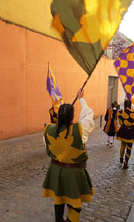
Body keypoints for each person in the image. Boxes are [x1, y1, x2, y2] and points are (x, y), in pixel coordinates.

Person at [42, 89, 95, 222]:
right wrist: (81, 98)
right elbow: (88, 115)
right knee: (75, 206)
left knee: (59, 199)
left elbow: (48, 146)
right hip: (74, 173)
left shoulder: (48, 130)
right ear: (72, 117)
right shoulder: (79, 130)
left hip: (56, 171)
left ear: (59, 116)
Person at [116, 100, 134, 169]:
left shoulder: (120, 112)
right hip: (131, 131)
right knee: (129, 147)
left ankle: (121, 158)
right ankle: (126, 163)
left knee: (122, 146)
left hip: (123, 130)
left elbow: (119, 121)